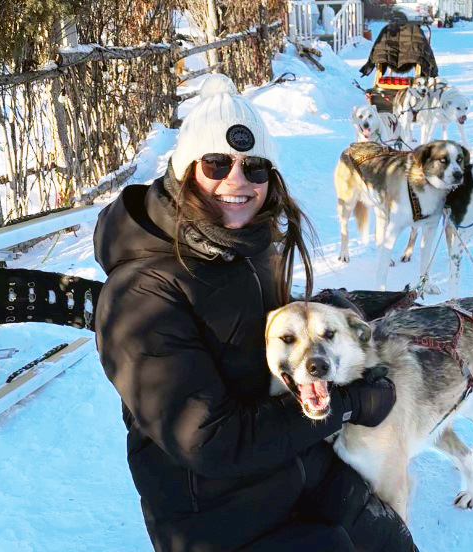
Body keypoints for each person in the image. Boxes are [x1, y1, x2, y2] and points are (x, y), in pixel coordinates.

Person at [94, 74, 418, 552]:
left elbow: (281, 328)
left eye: (255, 167)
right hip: (217, 516)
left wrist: (341, 313)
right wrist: (346, 404)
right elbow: (209, 441)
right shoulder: (143, 292)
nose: (237, 181)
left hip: (297, 463)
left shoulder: (249, 246)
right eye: (216, 163)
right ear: (183, 170)